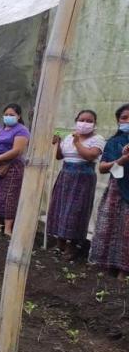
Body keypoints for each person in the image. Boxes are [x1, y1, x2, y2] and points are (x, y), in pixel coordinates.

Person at [47, 110, 105, 258]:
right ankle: (59, 243)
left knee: (75, 211)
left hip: (82, 179)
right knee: (60, 208)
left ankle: (71, 247)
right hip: (65, 176)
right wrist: (58, 144)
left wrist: (77, 142)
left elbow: (90, 155)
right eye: (82, 120)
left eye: (89, 121)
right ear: (76, 121)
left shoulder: (97, 139)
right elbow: (60, 156)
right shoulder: (68, 137)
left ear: (94, 124)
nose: (85, 123)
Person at [89, 104, 129, 279]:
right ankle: (107, 265)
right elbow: (103, 168)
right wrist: (122, 158)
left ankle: (124, 270)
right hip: (116, 190)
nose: (127, 121)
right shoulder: (114, 142)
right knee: (110, 228)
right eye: (124, 118)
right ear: (118, 121)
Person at [0, 103, 31, 236]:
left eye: (12, 115)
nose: (8, 117)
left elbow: (17, 150)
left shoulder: (22, 130)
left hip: (12, 167)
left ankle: (8, 229)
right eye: (6, 114)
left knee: (9, 196)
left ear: (19, 116)